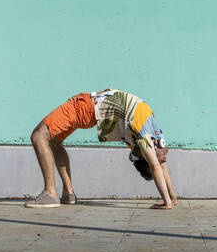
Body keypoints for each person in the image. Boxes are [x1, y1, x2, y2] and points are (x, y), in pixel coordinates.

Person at [25, 89, 177, 209]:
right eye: (162, 158)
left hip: (84, 107)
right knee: (55, 142)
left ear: (145, 156)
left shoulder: (144, 139)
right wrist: (172, 197)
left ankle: (50, 193)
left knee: (38, 136)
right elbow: (160, 166)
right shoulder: (155, 138)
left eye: (158, 159)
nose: (164, 158)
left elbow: (156, 166)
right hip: (89, 110)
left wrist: (167, 203)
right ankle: (68, 193)